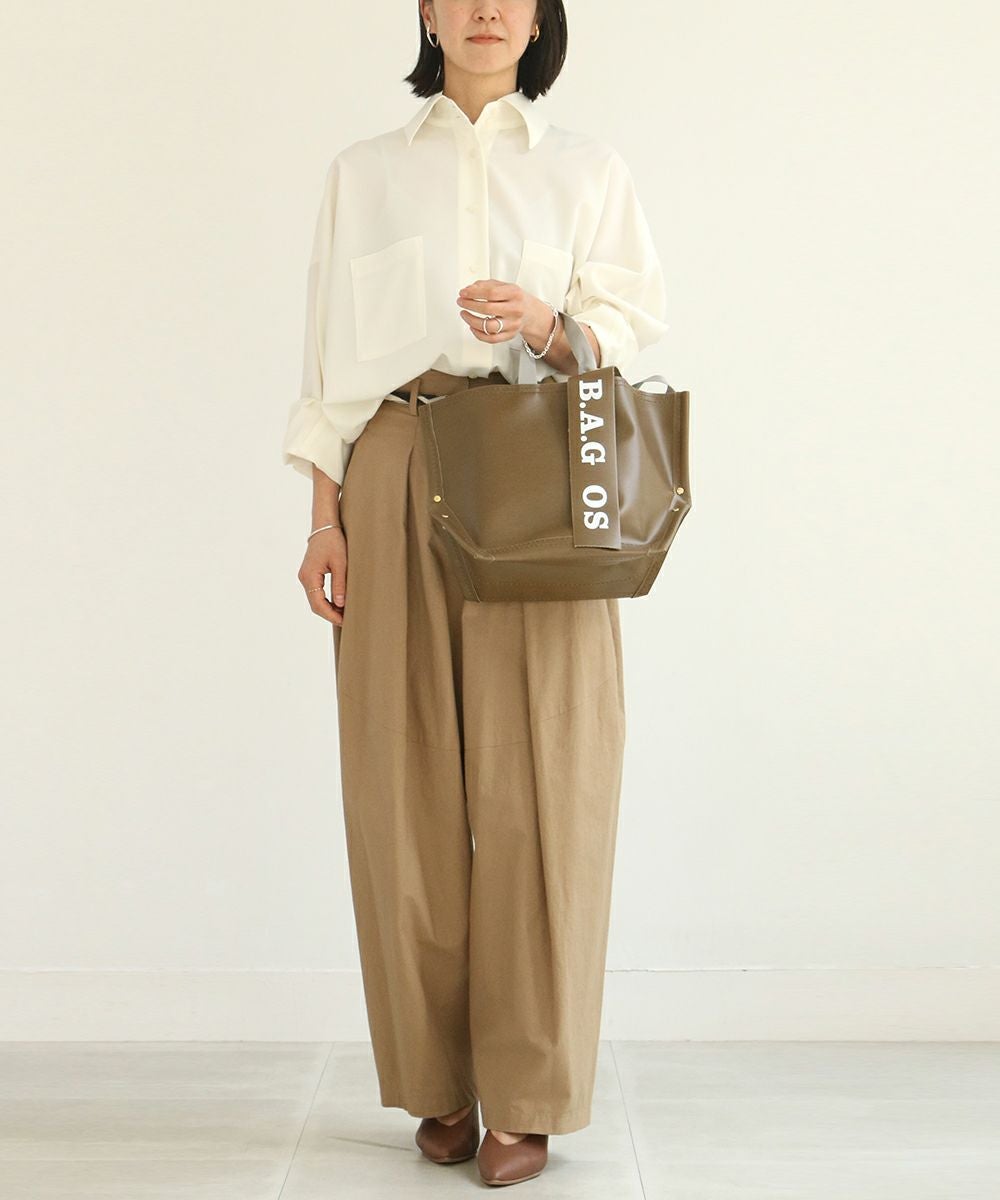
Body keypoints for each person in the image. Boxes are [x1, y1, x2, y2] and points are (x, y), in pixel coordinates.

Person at [282, 0, 668, 1186]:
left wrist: (550, 325)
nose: (487, 8)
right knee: (399, 788)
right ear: (426, 13)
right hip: (395, 461)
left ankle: (528, 1094)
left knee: (546, 785)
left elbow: (635, 332)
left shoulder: (588, 170)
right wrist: (324, 517)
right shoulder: (363, 173)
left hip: (539, 468)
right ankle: (437, 1085)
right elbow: (327, 359)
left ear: (542, 18)